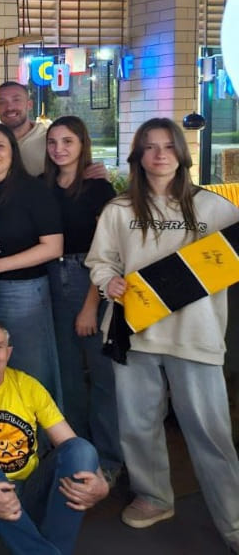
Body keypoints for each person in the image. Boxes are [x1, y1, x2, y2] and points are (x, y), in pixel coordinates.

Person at [86, 118, 239, 549]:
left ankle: (233, 519)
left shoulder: (215, 207)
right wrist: (108, 282)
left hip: (196, 336)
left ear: (182, 154)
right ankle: (154, 497)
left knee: (210, 433)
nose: (159, 155)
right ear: (138, 155)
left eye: (168, 146)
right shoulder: (119, 210)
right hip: (133, 333)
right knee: (137, 425)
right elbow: (101, 261)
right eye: (150, 147)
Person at [0, 317, 109, 555]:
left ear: (8, 352)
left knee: (82, 449)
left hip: (26, 496)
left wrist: (101, 483)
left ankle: (53, 549)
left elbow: (70, 442)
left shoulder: (27, 385)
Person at [42, 116, 121, 482]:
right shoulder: (43, 186)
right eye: (53, 142)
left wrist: (91, 304)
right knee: (68, 377)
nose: (59, 149)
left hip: (90, 280)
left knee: (104, 376)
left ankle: (109, 460)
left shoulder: (98, 188)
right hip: (50, 279)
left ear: (82, 144)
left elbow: (107, 251)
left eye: (67, 141)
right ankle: (78, 455)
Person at [0, 123, 63, 402]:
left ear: (13, 151)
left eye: (0, 146)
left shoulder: (33, 189)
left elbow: (53, 247)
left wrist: (0, 265)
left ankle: (42, 429)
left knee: (30, 368)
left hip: (24, 292)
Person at [0, 82, 108, 180]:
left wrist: (98, 174)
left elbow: (80, 171)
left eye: (16, 100)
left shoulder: (51, 140)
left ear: (29, 104)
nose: (9, 107)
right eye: (2, 102)